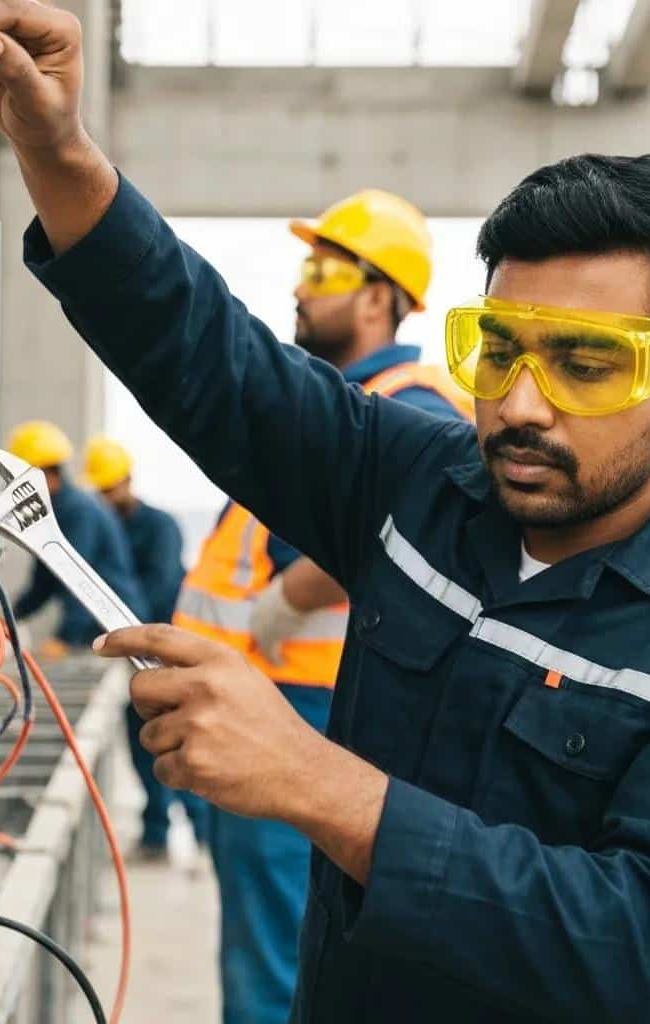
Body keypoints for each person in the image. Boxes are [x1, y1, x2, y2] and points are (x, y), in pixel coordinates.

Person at [0, 8, 650, 1020]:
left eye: (585, 363)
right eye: (498, 350)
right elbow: (212, 359)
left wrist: (315, 781)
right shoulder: (417, 485)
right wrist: (57, 149)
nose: (522, 404)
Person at [171, 194, 470, 1021]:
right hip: (278, 697)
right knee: (268, 941)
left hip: (312, 706)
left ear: (378, 297)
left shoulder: (407, 405)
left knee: (274, 958)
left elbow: (407, 516)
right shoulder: (345, 400)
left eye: (323, 271)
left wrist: (281, 600)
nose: (301, 288)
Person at [83, 436, 209, 862]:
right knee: (143, 745)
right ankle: (156, 834)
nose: (106, 497)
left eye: (110, 488)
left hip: (166, 651)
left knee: (180, 743)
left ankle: (202, 834)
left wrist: (129, 628)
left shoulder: (160, 527)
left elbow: (158, 586)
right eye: (101, 490)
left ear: (127, 481)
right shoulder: (107, 526)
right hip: (130, 652)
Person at [7, 419, 148, 659]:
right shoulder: (56, 512)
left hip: (118, 629)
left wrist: (64, 638)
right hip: (98, 630)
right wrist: (12, 616)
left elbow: (79, 577)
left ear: (43, 475)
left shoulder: (78, 512)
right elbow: (45, 580)